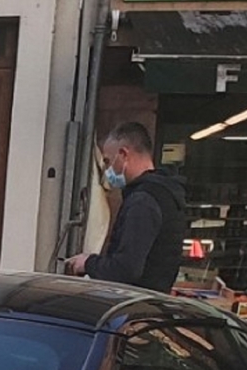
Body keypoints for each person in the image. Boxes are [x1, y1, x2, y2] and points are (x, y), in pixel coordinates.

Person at [63, 123, 189, 292]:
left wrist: (87, 263)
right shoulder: (165, 194)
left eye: (108, 161)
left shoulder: (143, 201)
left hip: (135, 305)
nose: (107, 170)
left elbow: (125, 269)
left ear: (123, 154)